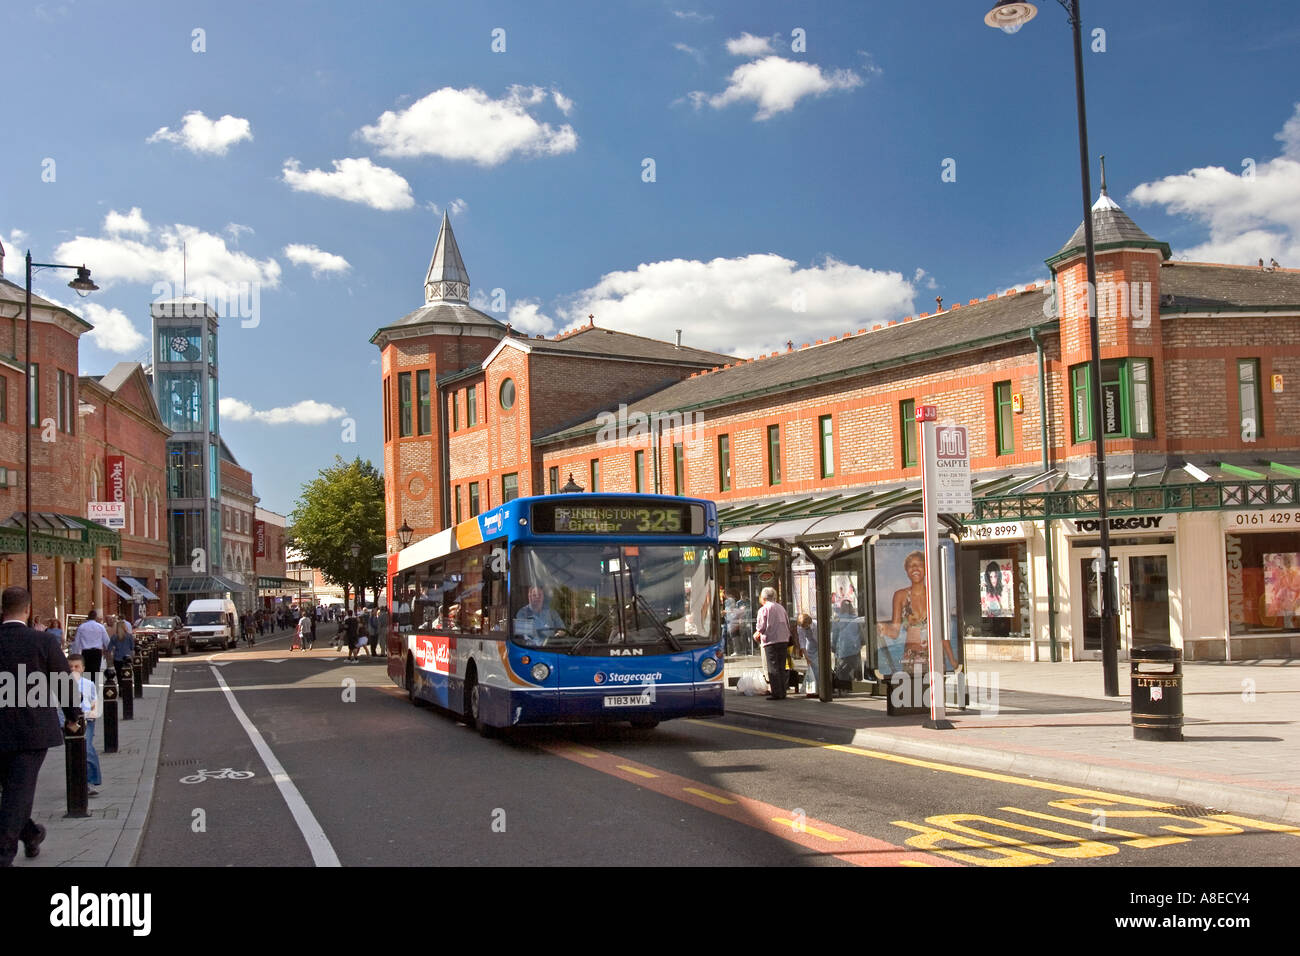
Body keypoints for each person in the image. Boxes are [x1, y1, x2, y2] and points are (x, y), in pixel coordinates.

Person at [1, 586, 82, 867]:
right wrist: (73, 715)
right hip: (32, 730)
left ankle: (31, 834)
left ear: (3, 609)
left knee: (12, 792)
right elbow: (62, 681)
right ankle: (9, 851)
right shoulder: (43, 642)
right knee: (17, 793)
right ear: (27, 609)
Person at [67, 654, 101, 796]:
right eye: (70, 667)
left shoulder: (89, 684)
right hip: (70, 723)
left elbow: (94, 702)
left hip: (87, 720)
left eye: (77, 666)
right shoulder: (62, 684)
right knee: (74, 751)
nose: (73, 669)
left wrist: (93, 713)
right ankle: (77, 782)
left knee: (86, 748)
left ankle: (90, 780)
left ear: (83, 668)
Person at [752, 587, 790, 700]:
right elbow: (787, 622)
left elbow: (761, 627)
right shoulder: (781, 607)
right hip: (783, 639)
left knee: (773, 667)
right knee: (781, 666)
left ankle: (776, 692)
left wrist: (757, 634)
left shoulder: (764, 609)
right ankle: (783, 691)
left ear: (763, 598)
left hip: (771, 640)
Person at [71, 609, 111, 679]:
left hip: (86, 652)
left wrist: (76, 653)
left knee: (86, 671)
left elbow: (77, 642)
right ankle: (95, 687)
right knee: (96, 671)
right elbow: (106, 640)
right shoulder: (100, 627)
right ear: (96, 617)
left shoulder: (82, 627)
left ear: (88, 616)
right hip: (97, 652)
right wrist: (108, 650)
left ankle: (87, 687)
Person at [831, 600, 862, 685]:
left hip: (841, 647)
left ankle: (842, 686)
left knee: (841, 667)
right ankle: (850, 683)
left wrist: (833, 645)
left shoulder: (837, 618)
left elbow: (835, 633)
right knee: (851, 667)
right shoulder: (856, 618)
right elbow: (860, 633)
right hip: (854, 647)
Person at [796, 611, 818, 697]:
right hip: (810, 645)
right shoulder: (800, 627)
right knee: (811, 668)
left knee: (817, 668)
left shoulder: (816, 625)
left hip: (818, 645)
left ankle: (818, 689)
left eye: (805, 626)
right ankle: (811, 690)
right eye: (802, 627)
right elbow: (802, 641)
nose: (804, 628)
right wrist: (807, 657)